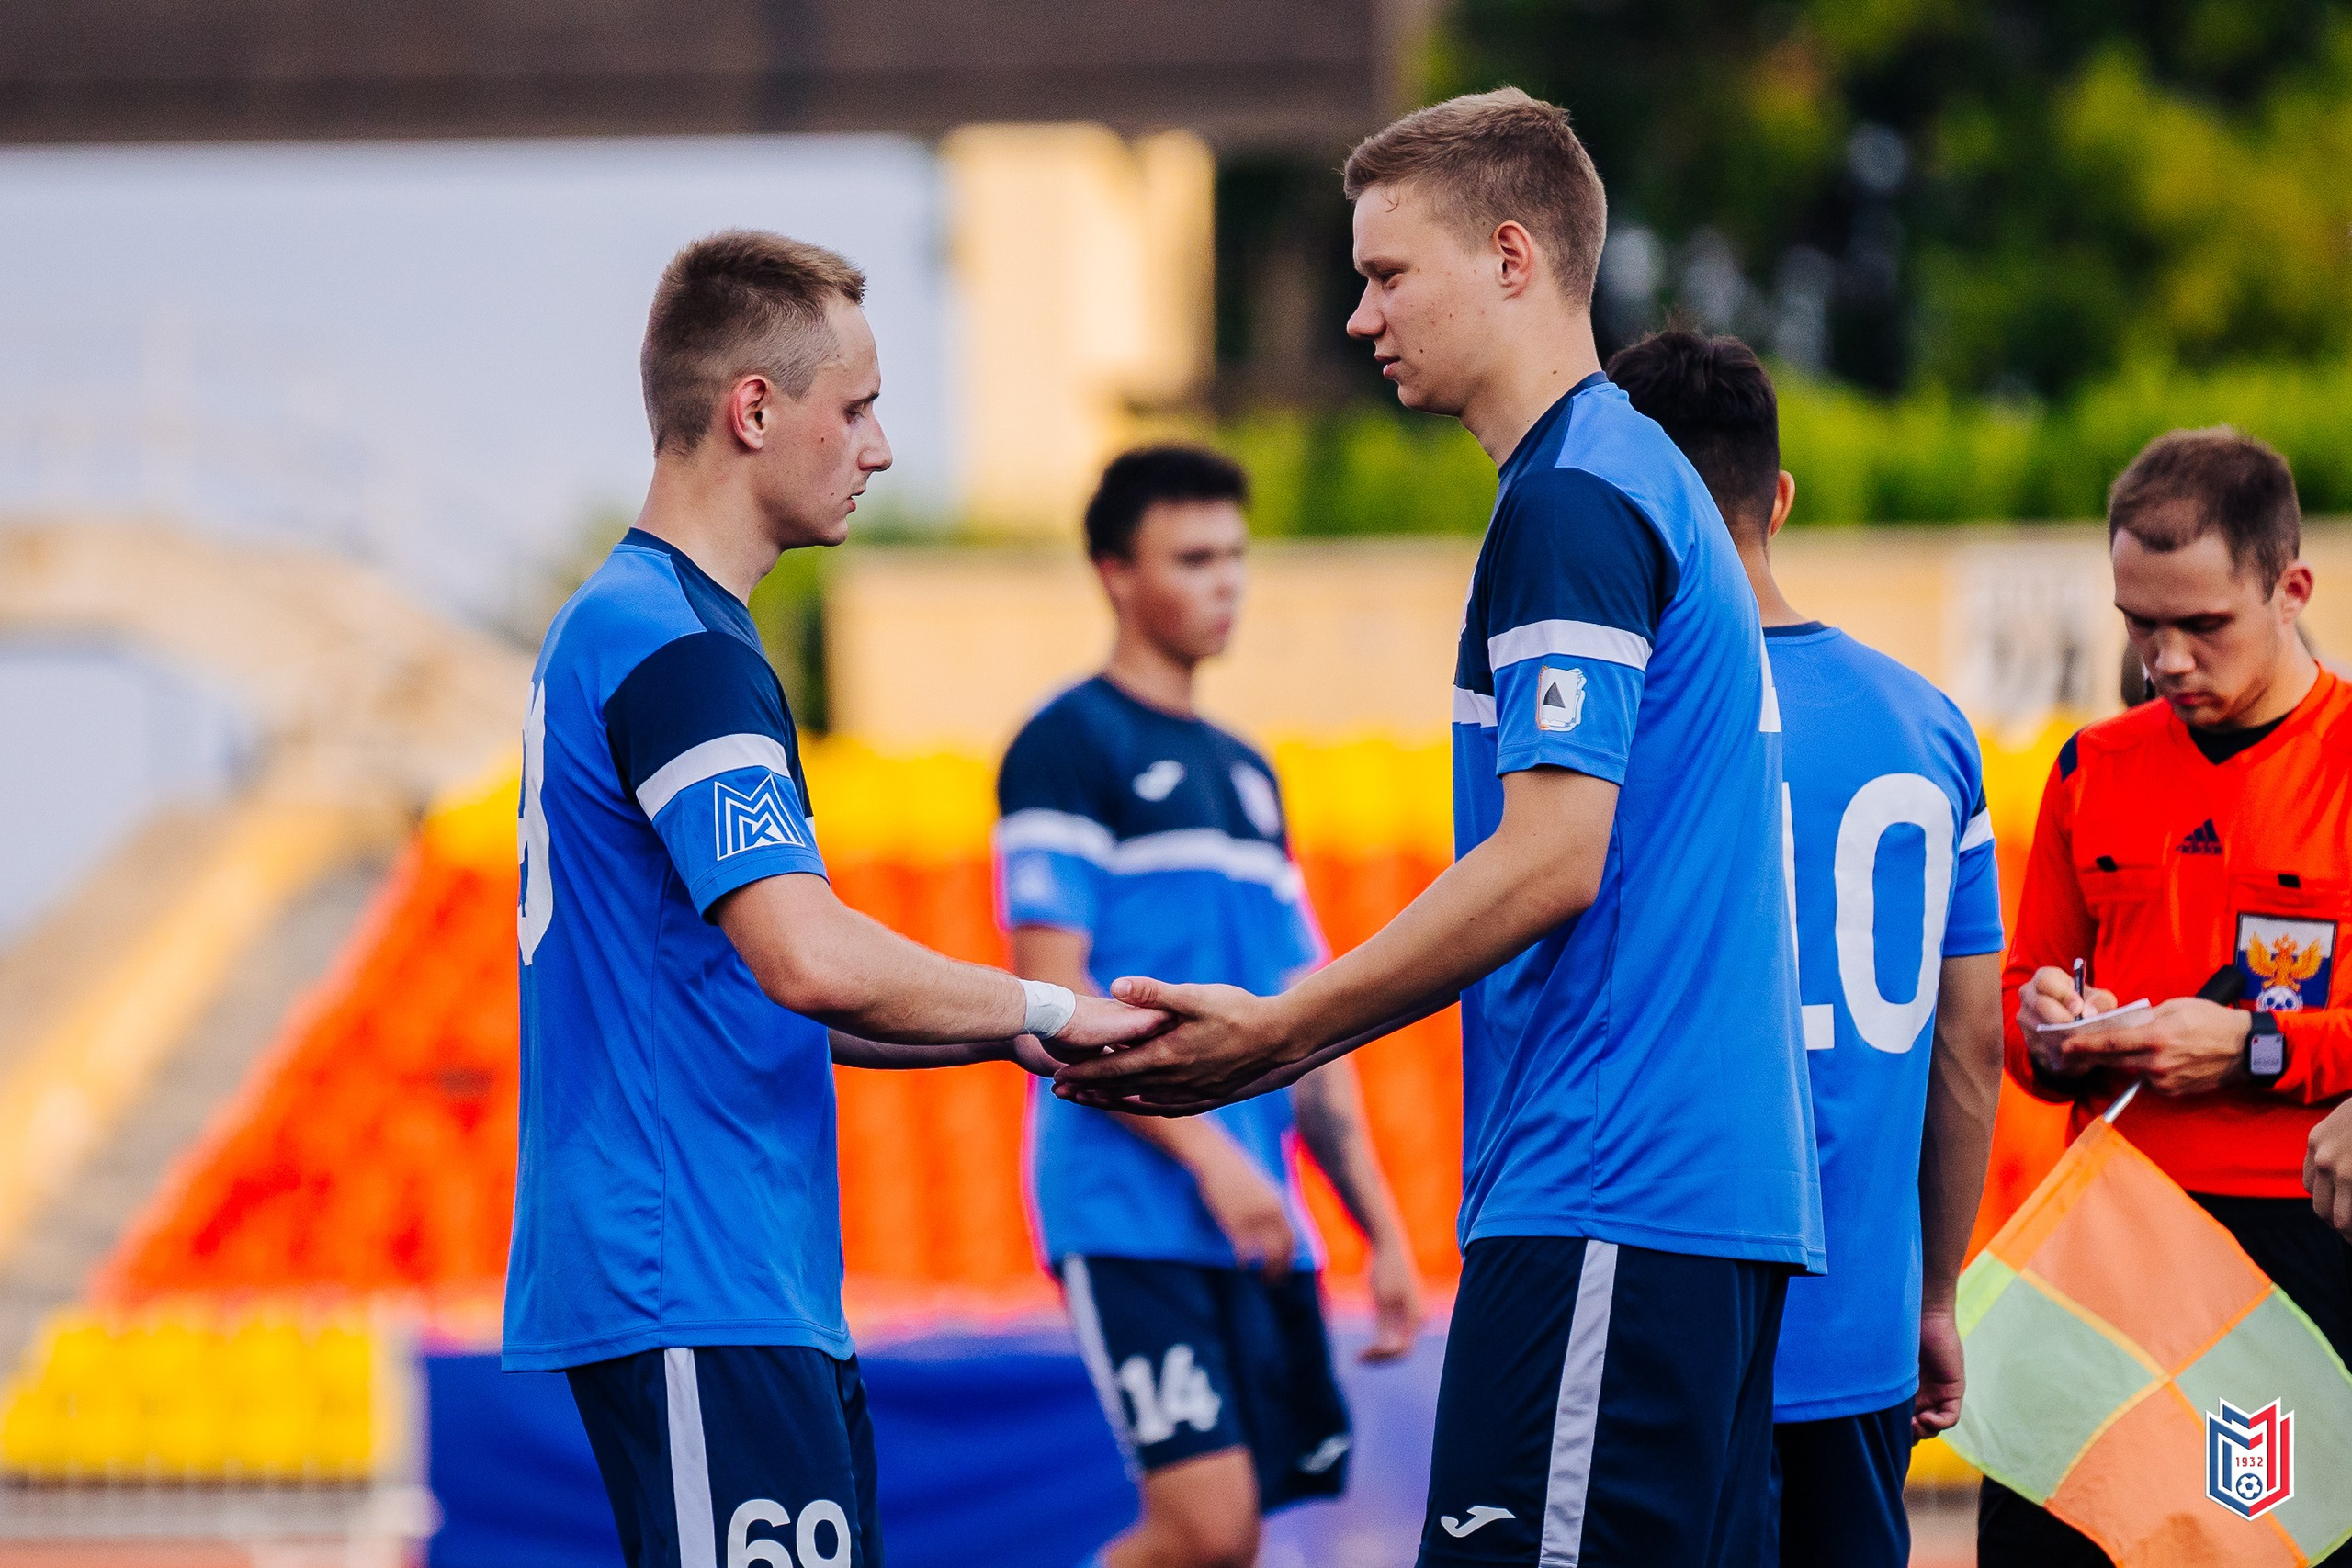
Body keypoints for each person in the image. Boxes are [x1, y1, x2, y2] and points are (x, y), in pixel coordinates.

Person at [1057, 90, 1823, 1568]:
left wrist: (1285, 1029)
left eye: (1387, 274)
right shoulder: (1626, 477)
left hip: (1613, 1183)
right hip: (1683, 1200)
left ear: (1514, 256)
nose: (1359, 316)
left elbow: (1553, 854)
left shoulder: (1576, 501)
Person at [504, 230, 1161, 1568]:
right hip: (691, 1265)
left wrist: (1011, 1030)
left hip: (735, 1273)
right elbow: (807, 958)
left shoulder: (656, 627)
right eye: (855, 407)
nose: (880, 448)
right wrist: (1054, 1002)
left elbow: (762, 980)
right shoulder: (675, 646)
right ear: (754, 408)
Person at [1610, 331, 2006, 1568]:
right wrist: (1936, 1294)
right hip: (1861, 1339)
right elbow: (1972, 1043)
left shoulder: (1614, 729)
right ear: (1778, 496)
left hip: (1671, 1326)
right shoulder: (1927, 724)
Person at [995, 444, 1427, 1568]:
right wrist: (1217, 1164)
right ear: (1113, 573)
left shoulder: (1248, 774)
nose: (1223, 582)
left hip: (1250, 1217)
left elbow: (1303, 1017)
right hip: (1128, 1209)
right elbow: (1050, 1003)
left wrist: (1377, 1226)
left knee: (1235, 1542)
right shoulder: (1064, 745)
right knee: (1206, 1527)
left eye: (1234, 557)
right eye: (1191, 557)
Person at [1996, 426, 2352, 1565]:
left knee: (2265, 1546)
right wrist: (2048, 1028)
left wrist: (2252, 1049)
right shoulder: (2087, 771)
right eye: (2139, 626)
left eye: (2202, 625)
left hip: (2292, 1254)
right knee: (2043, 1537)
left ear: (2290, 588)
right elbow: (2014, 1000)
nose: (2167, 657)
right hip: (2109, 1239)